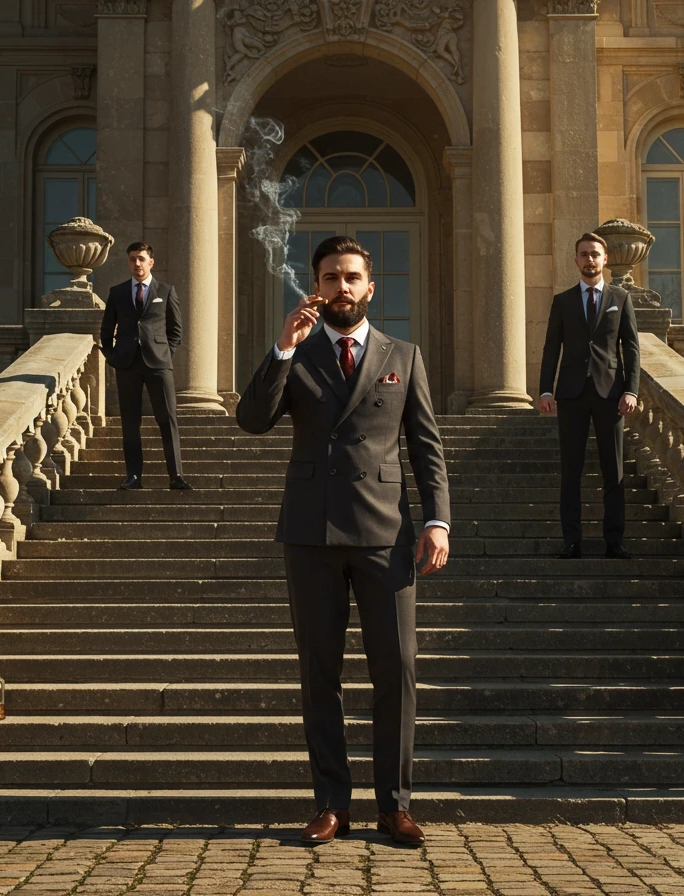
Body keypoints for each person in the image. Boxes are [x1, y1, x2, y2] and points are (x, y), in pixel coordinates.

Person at [236, 236, 451, 846]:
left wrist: (438, 520)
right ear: (316, 287)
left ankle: (395, 805)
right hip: (311, 533)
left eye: (352, 277)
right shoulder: (297, 357)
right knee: (320, 673)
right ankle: (331, 803)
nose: (342, 288)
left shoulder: (401, 355)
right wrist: (282, 347)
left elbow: (426, 448)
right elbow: (252, 420)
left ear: (370, 287)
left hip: (386, 534)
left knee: (398, 670)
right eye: (330, 278)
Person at [536, 232, 640, 559]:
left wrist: (632, 390)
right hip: (571, 394)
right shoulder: (563, 301)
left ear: (605, 259)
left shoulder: (620, 298)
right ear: (576, 260)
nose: (590, 259)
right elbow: (552, 347)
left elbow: (632, 348)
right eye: (583, 254)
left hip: (611, 394)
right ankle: (571, 540)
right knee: (571, 470)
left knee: (614, 470)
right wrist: (545, 389)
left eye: (595, 254)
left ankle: (615, 540)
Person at [100, 241, 191, 491]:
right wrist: (112, 356)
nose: (136, 263)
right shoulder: (117, 292)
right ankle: (134, 477)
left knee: (167, 418)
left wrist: (165, 355)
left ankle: (176, 476)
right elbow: (106, 331)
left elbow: (176, 331)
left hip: (158, 364)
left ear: (151, 262)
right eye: (132, 259)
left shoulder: (166, 290)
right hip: (127, 364)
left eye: (141, 259)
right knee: (130, 421)